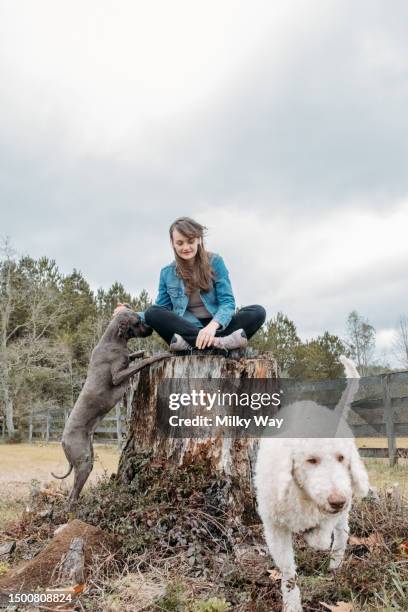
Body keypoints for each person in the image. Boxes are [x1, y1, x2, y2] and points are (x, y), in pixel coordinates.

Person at [114, 217, 266, 351]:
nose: (185, 247)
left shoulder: (216, 262)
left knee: (258, 312)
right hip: (186, 327)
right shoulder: (167, 273)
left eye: (190, 241)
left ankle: (197, 345)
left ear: (199, 239)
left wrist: (212, 327)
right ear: (173, 244)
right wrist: (128, 314)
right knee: (154, 312)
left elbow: (227, 303)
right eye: (180, 243)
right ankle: (220, 344)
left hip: (218, 327)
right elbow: (161, 311)